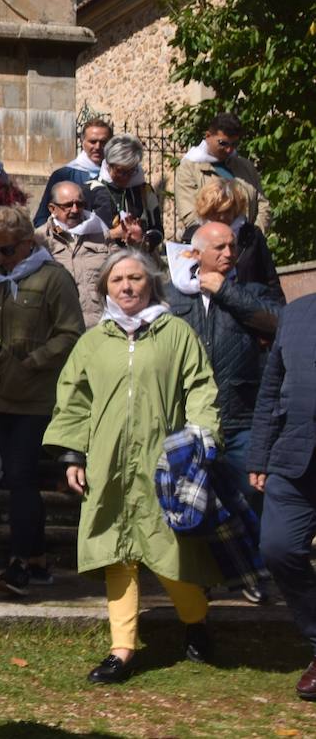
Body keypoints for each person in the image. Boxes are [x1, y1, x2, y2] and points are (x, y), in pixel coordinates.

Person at [44, 249, 222, 684]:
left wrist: (200, 439)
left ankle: (195, 620)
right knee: (116, 552)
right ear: (105, 286)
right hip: (107, 465)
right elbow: (74, 399)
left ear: (151, 283)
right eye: (117, 279)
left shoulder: (176, 333)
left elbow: (200, 386)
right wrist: (73, 454)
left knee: (169, 553)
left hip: (165, 462)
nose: (126, 286)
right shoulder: (93, 341)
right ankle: (121, 650)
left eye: (135, 278)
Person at [0, 206, 85, 596]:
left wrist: (33, 361)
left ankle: (20, 561)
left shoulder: (54, 278)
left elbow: (72, 333)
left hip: (37, 396)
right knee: (16, 476)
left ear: (27, 243)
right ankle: (38, 560)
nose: (0, 258)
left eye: (7, 250)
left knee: (21, 476)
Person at [165, 223, 283, 509]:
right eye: (219, 247)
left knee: (251, 501)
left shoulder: (251, 290)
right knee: (188, 505)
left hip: (241, 418)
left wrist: (226, 291)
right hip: (185, 419)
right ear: (195, 253)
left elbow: (279, 323)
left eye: (233, 246)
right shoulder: (170, 296)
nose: (229, 253)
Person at [249, 293, 316, 702]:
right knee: (277, 548)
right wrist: (260, 454)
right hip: (293, 458)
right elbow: (271, 389)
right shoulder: (296, 313)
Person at [181, 177, 283, 300]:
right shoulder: (192, 236)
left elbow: (270, 281)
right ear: (206, 211)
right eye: (216, 212)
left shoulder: (251, 235)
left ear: (236, 209)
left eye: (227, 211)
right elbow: (183, 278)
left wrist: (279, 314)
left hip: (249, 304)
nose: (222, 217)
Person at [173, 111, 271, 236]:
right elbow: (190, 214)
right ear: (208, 136)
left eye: (234, 144)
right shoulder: (189, 167)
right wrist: (223, 239)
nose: (229, 149)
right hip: (210, 243)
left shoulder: (246, 167)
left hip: (248, 244)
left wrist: (254, 235)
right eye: (223, 143)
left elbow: (263, 205)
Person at [40, 180, 112, 325]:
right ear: (52, 208)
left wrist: (135, 244)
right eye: (67, 205)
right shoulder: (40, 239)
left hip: (99, 329)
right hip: (61, 330)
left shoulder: (101, 234)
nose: (74, 210)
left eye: (79, 204)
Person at [86, 134, 163, 249]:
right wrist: (113, 234)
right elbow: (78, 236)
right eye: (120, 171)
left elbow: (158, 231)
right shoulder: (90, 190)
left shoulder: (144, 191)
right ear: (108, 165)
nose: (125, 177)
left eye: (131, 171)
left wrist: (143, 240)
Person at [33, 118, 112, 226]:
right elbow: (42, 218)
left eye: (103, 142)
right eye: (92, 142)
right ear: (82, 141)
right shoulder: (63, 175)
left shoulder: (119, 176)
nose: (98, 147)